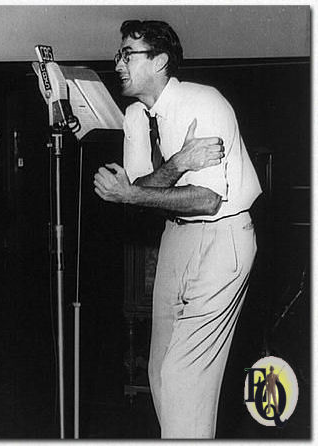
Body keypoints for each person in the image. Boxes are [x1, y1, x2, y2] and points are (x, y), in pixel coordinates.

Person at [94, 20, 261, 438]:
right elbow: (141, 190)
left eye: (128, 54)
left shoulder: (205, 103)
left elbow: (207, 199)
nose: (118, 64)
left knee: (186, 375)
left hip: (223, 236)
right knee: (161, 371)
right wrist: (180, 163)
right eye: (120, 54)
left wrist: (134, 193)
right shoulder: (135, 117)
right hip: (177, 235)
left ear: (161, 61)